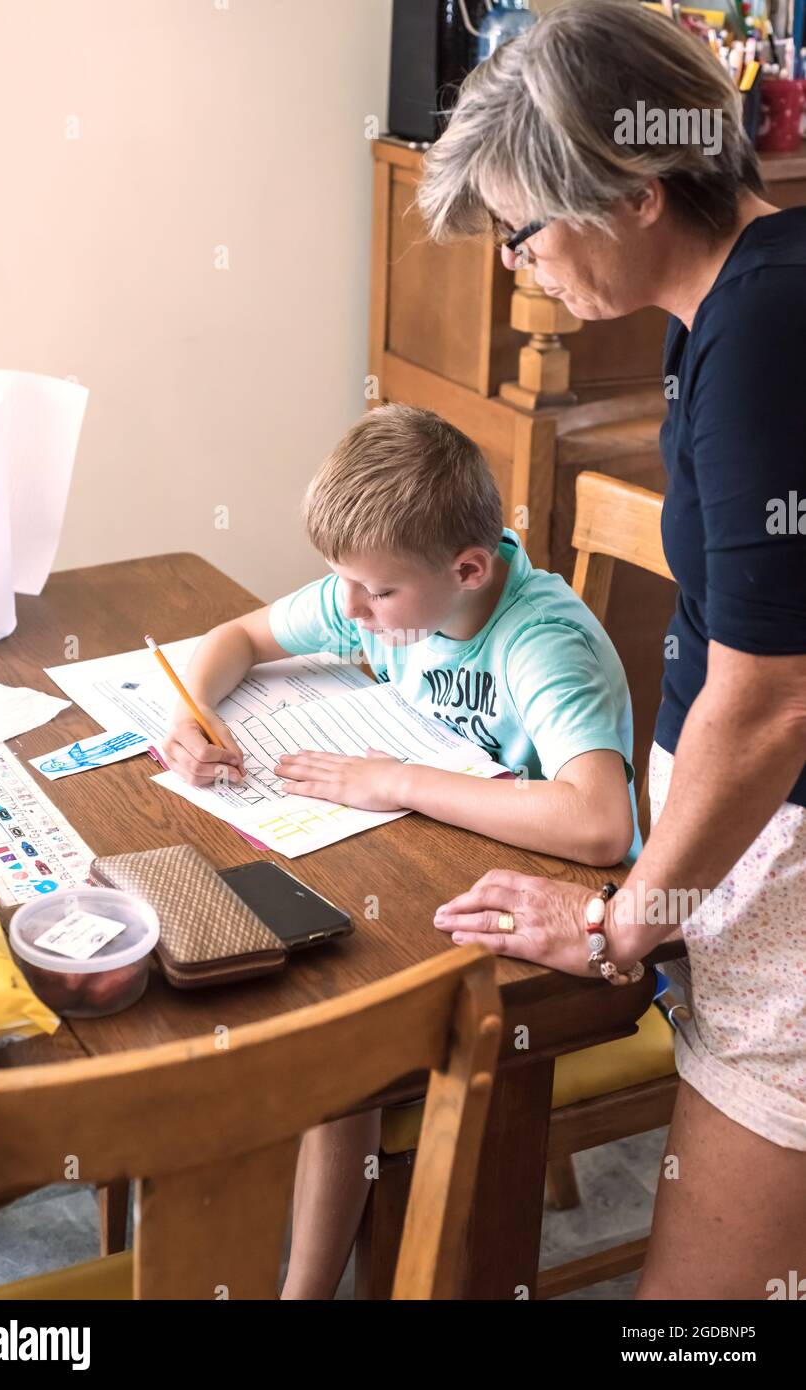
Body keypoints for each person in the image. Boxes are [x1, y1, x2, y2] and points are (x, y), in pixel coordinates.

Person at [417, 0, 806, 1298]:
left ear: (636, 184)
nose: (518, 263)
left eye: (523, 228)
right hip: (742, 881)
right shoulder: (726, 307)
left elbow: (766, 707)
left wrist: (615, 926)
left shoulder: (763, 327)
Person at [163, 401, 641, 1297]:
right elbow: (238, 637)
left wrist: (396, 781)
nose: (350, 610)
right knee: (270, 975)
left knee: (343, 1048)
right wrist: (190, 714)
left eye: (373, 593)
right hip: (423, 867)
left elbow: (599, 824)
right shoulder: (390, 594)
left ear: (467, 567)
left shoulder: (542, 645)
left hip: (566, 931)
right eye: (342, 585)